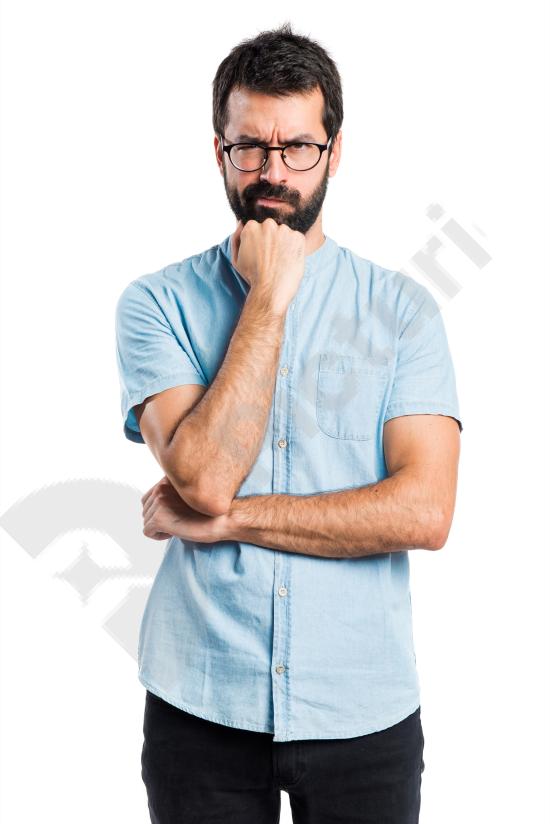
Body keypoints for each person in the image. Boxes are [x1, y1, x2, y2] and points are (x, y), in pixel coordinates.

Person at [115, 21, 463, 824]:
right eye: (251, 148)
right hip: (200, 700)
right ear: (220, 152)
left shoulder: (402, 312)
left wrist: (224, 521)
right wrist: (270, 295)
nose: (274, 172)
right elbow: (201, 474)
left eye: (298, 147)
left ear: (334, 153)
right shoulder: (155, 304)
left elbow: (425, 512)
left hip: (362, 707)